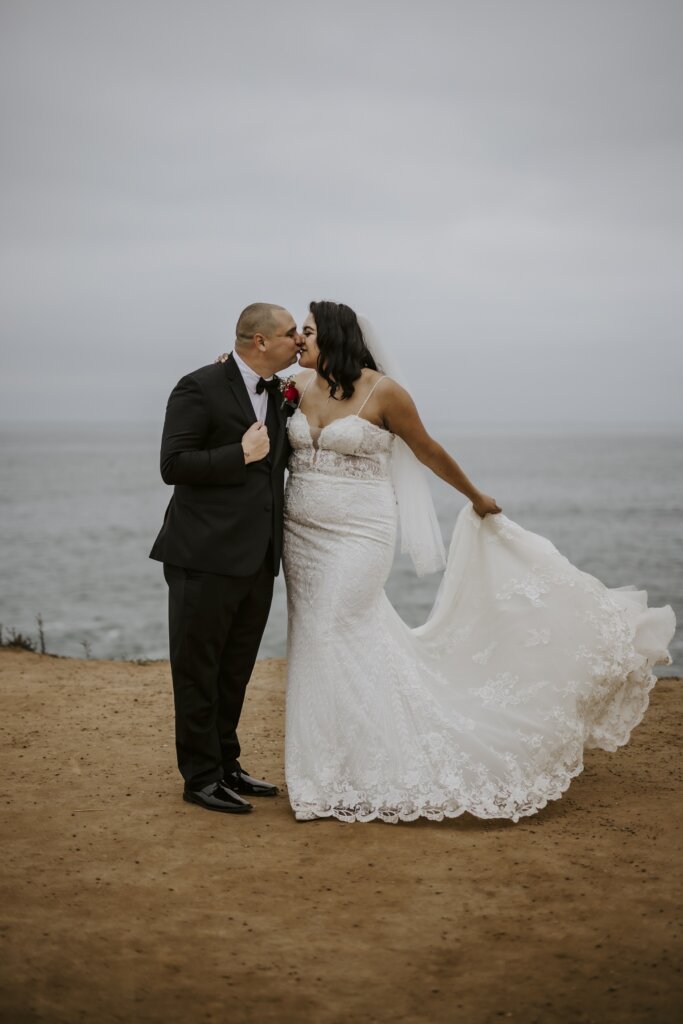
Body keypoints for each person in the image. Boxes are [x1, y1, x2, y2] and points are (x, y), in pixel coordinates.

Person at [282, 300, 675, 823]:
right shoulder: (292, 387)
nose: (296, 341)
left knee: (334, 628)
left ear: (331, 336)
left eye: (304, 332)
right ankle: (324, 770)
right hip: (302, 538)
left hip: (359, 534)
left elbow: (427, 450)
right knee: (313, 640)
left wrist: (474, 495)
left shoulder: (385, 392)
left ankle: (366, 769)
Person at [150, 302, 300, 814]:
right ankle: (200, 777)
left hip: (258, 557)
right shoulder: (198, 386)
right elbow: (174, 463)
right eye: (289, 334)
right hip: (204, 555)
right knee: (198, 670)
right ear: (259, 341)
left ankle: (227, 763)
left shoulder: (282, 394)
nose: (298, 341)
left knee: (234, 669)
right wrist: (239, 455)